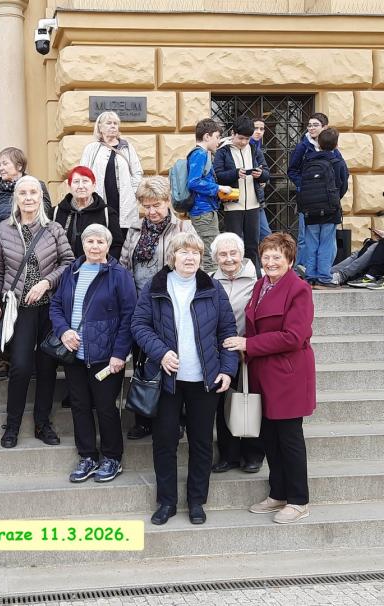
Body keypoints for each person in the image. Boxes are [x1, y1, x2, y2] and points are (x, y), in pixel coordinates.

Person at [131, 232, 238, 526]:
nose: (190, 257)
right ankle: (166, 501)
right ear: (172, 256)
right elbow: (139, 325)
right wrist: (161, 352)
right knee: (165, 441)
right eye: (184, 252)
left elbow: (227, 331)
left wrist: (227, 370)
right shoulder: (155, 287)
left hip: (204, 379)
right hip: (168, 379)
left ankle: (196, 501)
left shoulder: (212, 288)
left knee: (201, 442)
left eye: (195, 252)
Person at [224, 233, 316, 524]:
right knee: (270, 438)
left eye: (277, 257)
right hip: (263, 373)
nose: (271, 262)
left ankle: (299, 500)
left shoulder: (299, 289)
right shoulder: (261, 285)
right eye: (266, 256)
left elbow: (294, 336)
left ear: (290, 259)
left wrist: (249, 344)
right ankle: (278, 493)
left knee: (289, 439)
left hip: (289, 375)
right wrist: (245, 347)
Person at [0, 175, 73, 448]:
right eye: (23, 193)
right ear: (16, 198)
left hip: (50, 308)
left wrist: (47, 282)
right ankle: (12, 425)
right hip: (20, 308)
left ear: (41, 198)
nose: (28, 198)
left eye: (33, 193)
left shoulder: (54, 229)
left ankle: (42, 423)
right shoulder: (4, 229)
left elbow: (68, 262)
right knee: (21, 367)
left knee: (47, 368)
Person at [50, 224, 136, 482]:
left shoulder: (119, 275)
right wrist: (63, 331)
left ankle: (112, 458)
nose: (95, 246)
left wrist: (120, 353)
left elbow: (129, 316)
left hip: (106, 356)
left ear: (108, 246)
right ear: (83, 244)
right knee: (80, 406)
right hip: (74, 353)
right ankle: (87, 456)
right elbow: (56, 306)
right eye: (90, 241)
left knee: (106, 407)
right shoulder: (71, 271)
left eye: (100, 242)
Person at [119, 176, 195, 440]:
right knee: (142, 362)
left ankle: (176, 419)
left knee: (171, 362)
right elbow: (125, 266)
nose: (152, 211)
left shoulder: (183, 228)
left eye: (157, 205)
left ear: (168, 202)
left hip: (171, 306)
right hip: (140, 306)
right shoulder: (134, 231)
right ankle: (144, 418)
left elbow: (194, 263)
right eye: (147, 206)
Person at [0, 146, 51, 380]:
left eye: (5, 163)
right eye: (0, 163)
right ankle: (3, 358)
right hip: (5, 250)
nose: (1, 167)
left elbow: (46, 216)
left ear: (19, 166)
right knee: (5, 307)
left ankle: (28, 360)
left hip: (33, 254)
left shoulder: (37, 186)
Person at [208, 232, 263, 474]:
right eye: (223, 254)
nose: (229, 259)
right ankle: (228, 455)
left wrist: (248, 343)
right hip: (221, 353)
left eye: (233, 253)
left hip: (250, 350)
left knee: (252, 400)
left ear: (242, 254)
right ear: (215, 258)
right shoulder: (209, 280)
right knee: (225, 403)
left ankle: (253, 454)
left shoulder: (258, 279)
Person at [287, 112, 343, 272]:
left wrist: (333, 194)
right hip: (308, 199)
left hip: (328, 200)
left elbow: (341, 173)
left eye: (315, 125)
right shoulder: (303, 147)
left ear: (324, 127)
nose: (311, 128)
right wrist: (306, 186)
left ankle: (324, 271)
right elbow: (292, 170)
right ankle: (302, 270)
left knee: (328, 238)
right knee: (305, 237)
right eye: (309, 125)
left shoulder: (333, 148)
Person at [214, 115, 270, 273]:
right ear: (233, 133)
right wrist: (235, 173)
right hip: (232, 205)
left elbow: (267, 173)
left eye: (247, 138)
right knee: (234, 246)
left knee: (253, 245)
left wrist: (261, 175)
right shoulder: (223, 151)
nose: (244, 142)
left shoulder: (254, 149)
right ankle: (235, 275)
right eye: (241, 138)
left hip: (254, 204)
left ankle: (255, 277)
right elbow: (217, 175)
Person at [300, 127, 348, 290]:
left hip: (310, 209)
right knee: (326, 243)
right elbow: (343, 184)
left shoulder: (308, 161)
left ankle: (310, 277)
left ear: (318, 144)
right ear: (336, 145)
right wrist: (334, 199)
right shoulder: (337, 162)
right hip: (330, 210)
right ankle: (323, 277)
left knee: (311, 243)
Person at [80, 111, 143, 231]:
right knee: (100, 232)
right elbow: (83, 174)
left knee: (123, 234)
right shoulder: (92, 148)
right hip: (99, 199)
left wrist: (133, 192)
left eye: (115, 123)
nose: (113, 126)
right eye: (109, 123)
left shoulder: (127, 147)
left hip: (124, 201)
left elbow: (137, 173)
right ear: (100, 127)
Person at [187, 119, 233, 273]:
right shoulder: (200, 154)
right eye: (217, 137)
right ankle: (210, 285)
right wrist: (219, 187)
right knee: (210, 255)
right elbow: (193, 182)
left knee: (209, 252)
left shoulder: (201, 153)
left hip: (205, 210)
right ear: (207, 136)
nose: (218, 141)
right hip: (203, 211)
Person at [52, 165, 122, 261]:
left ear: (94, 185)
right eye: (76, 182)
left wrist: (103, 265)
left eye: (85, 181)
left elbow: (116, 246)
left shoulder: (107, 213)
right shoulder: (56, 212)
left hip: (97, 267)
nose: (81, 186)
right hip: (64, 268)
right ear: (69, 186)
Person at [250, 117, 272, 242]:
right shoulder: (245, 146)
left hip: (257, 198)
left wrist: (263, 178)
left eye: (261, 129)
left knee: (266, 235)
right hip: (244, 198)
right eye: (255, 128)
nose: (258, 132)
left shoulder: (258, 147)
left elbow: (265, 171)